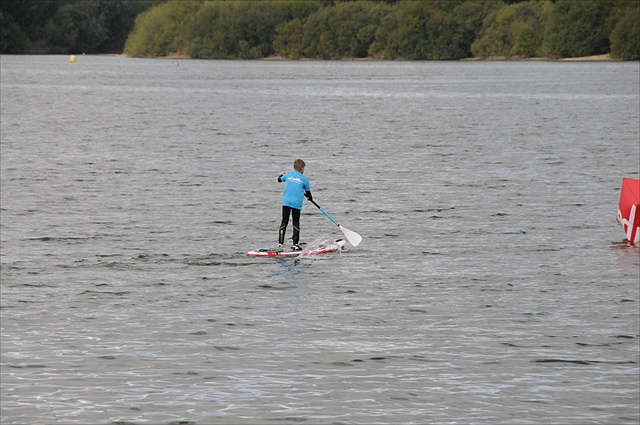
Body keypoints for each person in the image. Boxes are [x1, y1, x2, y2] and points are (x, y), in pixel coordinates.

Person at [276, 159, 312, 251]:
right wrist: (310, 198)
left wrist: (281, 175)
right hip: (296, 204)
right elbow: (308, 194)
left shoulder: (288, 175)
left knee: (284, 221)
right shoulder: (304, 179)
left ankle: (280, 243)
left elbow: (279, 180)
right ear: (302, 169)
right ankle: (295, 244)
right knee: (295, 223)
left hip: (286, 202)